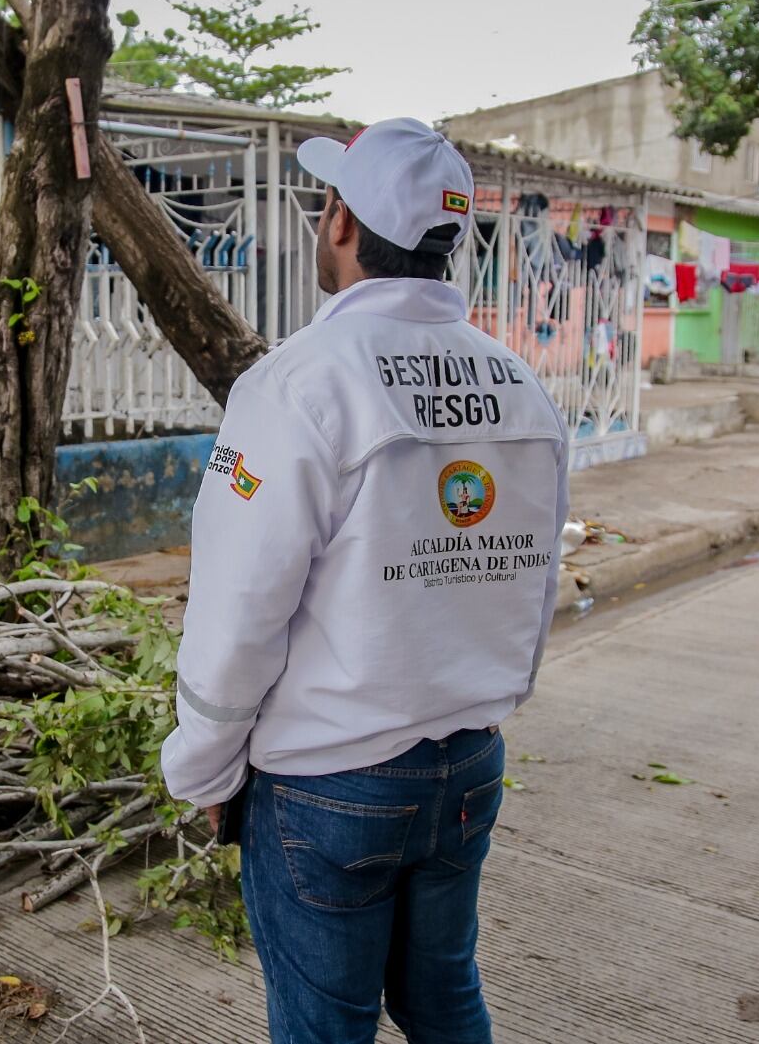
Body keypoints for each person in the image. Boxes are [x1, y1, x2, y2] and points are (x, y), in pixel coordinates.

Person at [160, 119, 568, 1044]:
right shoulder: (521, 386)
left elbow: (239, 612)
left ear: (341, 221)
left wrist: (206, 767)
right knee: (446, 1000)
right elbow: (531, 591)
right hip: (467, 763)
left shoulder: (298, 386)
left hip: (328, 782)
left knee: (324, 1029)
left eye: (326, 202)